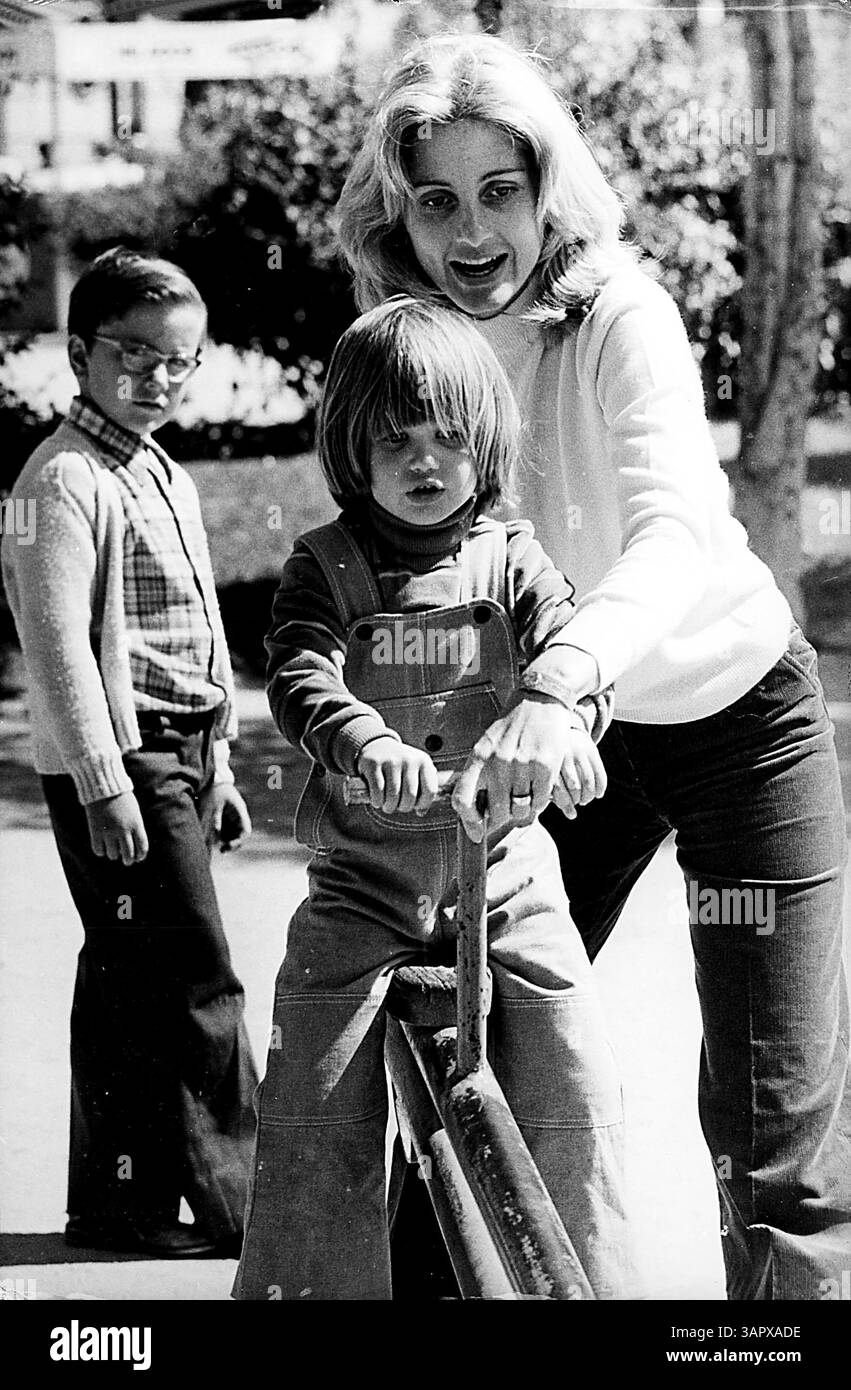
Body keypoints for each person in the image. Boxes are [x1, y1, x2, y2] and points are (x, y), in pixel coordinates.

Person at [335, 32, 851, 1301]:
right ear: (395, 208)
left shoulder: (620, 309)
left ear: (546, 187)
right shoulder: (406, 343)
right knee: (478, 1057)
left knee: (774, 1126)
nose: (470, 231)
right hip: (560, 740)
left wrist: (560, 681)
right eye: (436, 198)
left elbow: (674, 523)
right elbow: (405, 562)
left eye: (498, 191)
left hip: (734, 717)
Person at [232, 297, 632, 1301]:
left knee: (573, 1081)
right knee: (314, 1097)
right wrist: (362, 739)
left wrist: (571, 727)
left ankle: (594, 1287)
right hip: (365, 881)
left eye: (450, 437)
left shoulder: (512, 558)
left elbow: (571, 654)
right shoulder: (326, 566)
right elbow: (299, 675)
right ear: (350, 449)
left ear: (484, 443)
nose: (425, 462)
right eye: (395, 439)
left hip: (504, 875)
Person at [1, 247, 258, 1258]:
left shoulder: (158, 470)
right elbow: (57, 646)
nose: (160, 378)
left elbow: (198, 632)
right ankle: (254, 1205)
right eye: (135, 355)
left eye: (180, 361)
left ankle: (121, 1205)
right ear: (80, 355)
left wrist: (226, 762)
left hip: (184, 749)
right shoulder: (62, 478)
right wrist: (106, 783)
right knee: (199, 979)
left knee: (127, 973)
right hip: (130, 760)